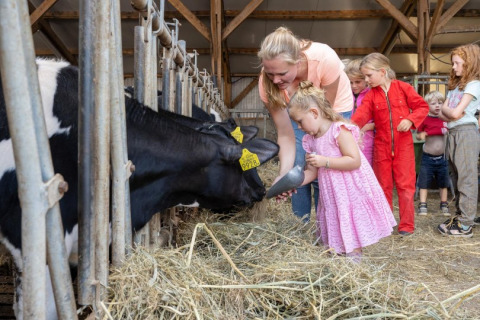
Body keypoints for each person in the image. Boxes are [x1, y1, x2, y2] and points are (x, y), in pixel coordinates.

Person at [285, 81, 396, 260]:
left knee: (351, 235)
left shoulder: (339, 130)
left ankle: (354, 269)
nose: (299, 127)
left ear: (314, 113)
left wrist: (325, 161)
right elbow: (312, 172)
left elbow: (354, 160)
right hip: (332, 195)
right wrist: (292, 183)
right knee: (335, 237)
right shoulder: (311, 140)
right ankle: (338, 263)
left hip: (350, 192)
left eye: (299, 121)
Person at [257, 26, 353, 221]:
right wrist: (285, 176)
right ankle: (300, 224)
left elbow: (323, 122)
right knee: (297, 166)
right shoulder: (267, 83)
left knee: (324, 167)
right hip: (298, 112)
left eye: (282, 73)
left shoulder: (324, 58)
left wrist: (317, 161)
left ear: (298, 62)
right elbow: (285, 134)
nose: (275, 80)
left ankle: (326, 224)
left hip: (332, 110)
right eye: (269, 74)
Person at [351, 53, 429, 236]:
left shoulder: (403, 88)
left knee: (406, 186)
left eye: (369, 76)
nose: (367, 80)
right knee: (382, 186)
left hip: (404, 147)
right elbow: (360, 116)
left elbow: (422, 107)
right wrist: (346, 128)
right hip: (382, 147)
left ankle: (406, 225)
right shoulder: (371, 96)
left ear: (382, 71)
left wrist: (410, 120)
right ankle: (385, 224)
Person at [437, 44, 480, 237]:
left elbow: (451, 112)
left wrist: (448, 113)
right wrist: (449, 113)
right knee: (455, 176)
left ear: (469, 63)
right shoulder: (456, 87)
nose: (454, 67)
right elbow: (443, 114)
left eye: (457, 63)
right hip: (453, 132)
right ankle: (460, 215)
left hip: (465, 132)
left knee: (466, 178)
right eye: (453, 63)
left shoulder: (474, 85)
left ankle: (466, 224)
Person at [415, 91, 450, 216]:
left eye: (440, 103)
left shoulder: (446, 119)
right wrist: (422, 135)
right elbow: (418, 135)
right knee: (424, 182)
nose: (437, 106)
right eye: (433, 103)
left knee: (443, 182)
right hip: (428, 157)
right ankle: (423, 204)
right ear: (427, 105)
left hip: (443, 157)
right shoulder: (425, 119)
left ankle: (444, 204)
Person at [345, 59, 374, 166]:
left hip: (367, 140)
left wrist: (365, 127)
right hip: (349, 139)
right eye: (350, 82)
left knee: (365, 167)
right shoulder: (347, 94)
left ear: (366, 80)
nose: (354, 86)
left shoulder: (371, 95)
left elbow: (380, 121)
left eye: (358, 82)